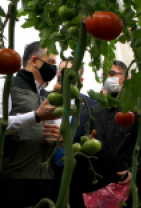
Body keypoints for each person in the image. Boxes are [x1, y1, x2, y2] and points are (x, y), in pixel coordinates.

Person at [70, 60, 141, 208]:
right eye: (104, 75)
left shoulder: (139, 108)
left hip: (127, 186)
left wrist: (135, 170)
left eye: (112, 74)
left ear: (126, 78)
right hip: (98, 186)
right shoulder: (96, 109)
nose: (107, 78)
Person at [0, 41, 61, 207]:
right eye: (51, 62)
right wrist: (35, 116)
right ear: (34, 61)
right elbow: (1, 124)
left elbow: (56, 132)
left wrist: (60, 138)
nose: (54, 69)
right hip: (14, 177)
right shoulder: (6, 86)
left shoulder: (49, 96)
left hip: (46, 179)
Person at [53, 60, 98, 202]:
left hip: (77, 176)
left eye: (71, 74)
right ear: (57, 74)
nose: (66, 77)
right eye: (63, 73)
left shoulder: (92, 105)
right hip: (46, 174)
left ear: (81, 79)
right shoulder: (46, 99)